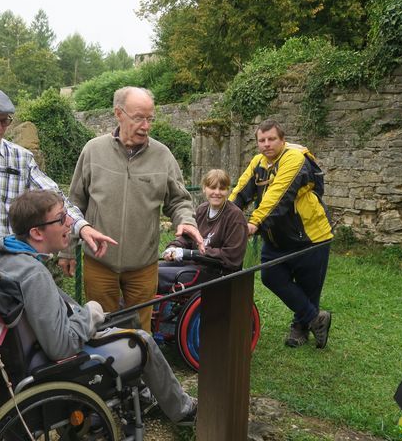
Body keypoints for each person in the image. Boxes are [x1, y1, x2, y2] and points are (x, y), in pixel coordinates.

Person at [0, 189, 197, 425]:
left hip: (26, 354)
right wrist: (91, 312)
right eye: (61, 218)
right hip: (56, 364)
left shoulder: (2, 256)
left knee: (127, 320)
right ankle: (183, 410)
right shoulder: (34, 274)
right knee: (143, 341)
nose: (69, 225)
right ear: (36, 232)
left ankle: (144, 394)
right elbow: (61, 346)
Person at [59, 86, 203, 332]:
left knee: (140, 331)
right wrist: (67, 251)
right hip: (99, 261)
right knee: (101, 327)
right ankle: (107, 371)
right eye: (139, 118)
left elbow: (179, 200)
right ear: (119, 113)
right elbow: (74, 204)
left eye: (150, 119)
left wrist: (186, 219)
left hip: (143, 266)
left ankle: (139, 370)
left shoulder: (163, 156)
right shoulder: (93, 151)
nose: (146, 125)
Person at [0, 85, 114, 256]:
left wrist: (82, 227)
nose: (0, 128)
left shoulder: (21, 158)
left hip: (10, 259)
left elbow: (53, 196)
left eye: (5, 121)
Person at [229, 120, 334, 348]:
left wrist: (254, 222)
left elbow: (277, 196)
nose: (266, 145)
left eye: (271, 139)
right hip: (277, 238)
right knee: (270, 277)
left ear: (282, 140)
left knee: (309, 286)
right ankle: (316, 318)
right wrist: (224, 216)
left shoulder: (294, 160)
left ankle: (300, 328)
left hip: (310, 237)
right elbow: (241, 190)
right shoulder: (258, 162)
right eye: (262, 140)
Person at [160, 169, 248, 283]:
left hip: (217, 272)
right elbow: (187, 237)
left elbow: (231, 257)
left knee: (157, 275)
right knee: (151, 270)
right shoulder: (202, 209)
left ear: (228, 191)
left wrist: (191, 254)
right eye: (212, 187)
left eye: (222, 188)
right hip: (194, 264)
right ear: (204, 188)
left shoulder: (235, 216)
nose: (217, 192)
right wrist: (173, 247)